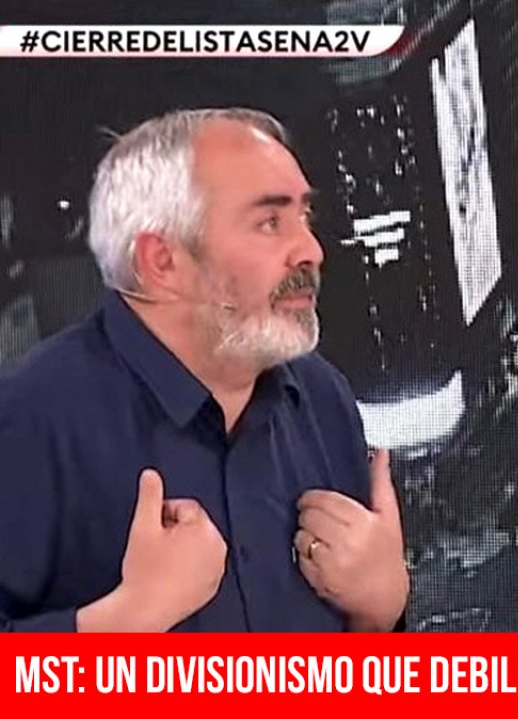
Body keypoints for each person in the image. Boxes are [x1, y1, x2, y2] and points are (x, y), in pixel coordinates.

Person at [0, 108, 409, 632]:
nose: (311, 250)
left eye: (304, 217)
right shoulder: (32, 421)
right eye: (270, 222)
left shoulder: (320, 396)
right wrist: (127, 620)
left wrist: (380, 611)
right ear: (162, 262)